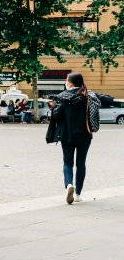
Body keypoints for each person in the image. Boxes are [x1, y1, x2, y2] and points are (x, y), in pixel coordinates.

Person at [50, 72, 101, 204]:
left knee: (67, 163)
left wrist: (54, 108)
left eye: (67, 80)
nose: (66, 81)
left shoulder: (62, 97)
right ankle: (78, 194)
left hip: (67, 135)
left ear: (71, 83)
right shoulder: (88, 96)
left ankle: (68, 185)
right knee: (81, 164)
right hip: (85, 134)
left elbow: (57, 115)